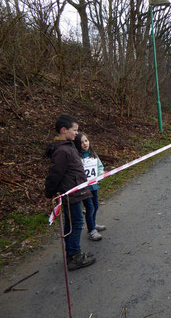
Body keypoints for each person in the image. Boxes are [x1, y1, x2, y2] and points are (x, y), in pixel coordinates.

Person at [45, 114, 96, 271]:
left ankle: (72, 252)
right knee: (77, 223)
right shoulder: (62, 151)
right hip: (71, 193)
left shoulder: (68, 145)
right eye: (74, 130)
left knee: (72, 222)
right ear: (63, 130)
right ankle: (74, 256)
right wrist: (50, 192)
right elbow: (55, 173)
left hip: (75, 190)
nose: (76, 133)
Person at [74, 132, 106, 241]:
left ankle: (93, 223)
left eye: (86, 141)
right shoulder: (77, 157)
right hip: (83, 188)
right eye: (81, 142)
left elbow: (99, 166)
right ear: (77, 144)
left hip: (93, 186)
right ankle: (91, 230)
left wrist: (101, 173)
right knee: (90, 207)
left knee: (96, 206)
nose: (84, 144)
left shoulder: (93, 154)